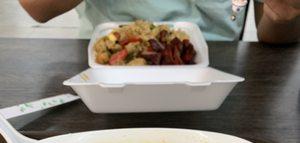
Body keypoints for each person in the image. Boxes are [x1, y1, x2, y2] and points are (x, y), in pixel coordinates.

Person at [19, 0, 300, 43]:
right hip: (104, 75)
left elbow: (277, 37)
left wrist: (285, 14)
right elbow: (36, 8)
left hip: (222, 81)